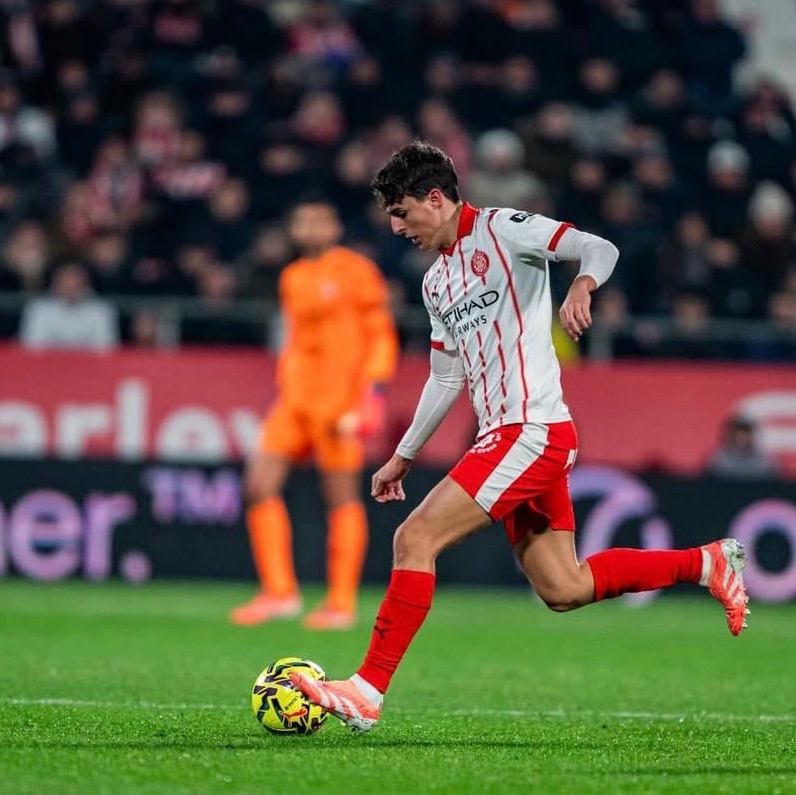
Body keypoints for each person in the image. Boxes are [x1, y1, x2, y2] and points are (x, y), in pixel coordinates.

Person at [291, 142, 749, 732]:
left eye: (402, 212)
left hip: (531, 430)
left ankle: (366, 690)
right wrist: (403, 455)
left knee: (415, 539)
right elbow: (445, 375)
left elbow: (597, 246)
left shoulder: (505, 229)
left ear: (436, 198)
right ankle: (706, 564)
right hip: (508, 435)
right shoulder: (435, 283)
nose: (395, 226)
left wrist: (582, 286)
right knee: (564, 587)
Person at [231, 196, 398, 630]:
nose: (309, 230)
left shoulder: (356, 272)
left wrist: (368, 397)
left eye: (318, 221)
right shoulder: (293, 276)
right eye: (302, 222)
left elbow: (380, 335)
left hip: (339, 401)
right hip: (294, 399)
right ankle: (279, 593)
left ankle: (340, 603)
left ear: (333, 227)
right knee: (258, 485)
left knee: (339, 497)